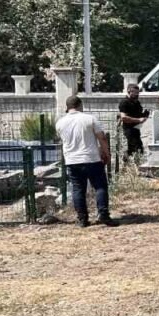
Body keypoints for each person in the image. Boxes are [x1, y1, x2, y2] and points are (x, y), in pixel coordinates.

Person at [56, 95, 115, 227]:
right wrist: (106, 153)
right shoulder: (90, 119)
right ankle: (103, 214)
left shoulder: (60, 123)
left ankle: (82, 219)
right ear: (80, 105)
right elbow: (102, 138)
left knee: (78, 189)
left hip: (72, 160)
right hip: (91, 158)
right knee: (100, 186)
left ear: (67, 107)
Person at [117, 84, 148, 163]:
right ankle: (127, 166)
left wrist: (144, 115)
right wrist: (139, 120)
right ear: (129, 91)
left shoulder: (136, 103)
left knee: (138, 150)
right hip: (128, 130)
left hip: (136, 130)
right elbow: (124, 118)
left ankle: (133, 166)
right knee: (134, 150)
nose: (137, 94)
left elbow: (138, 115)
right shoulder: (124, 102)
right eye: (135, 93)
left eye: (138, 93)